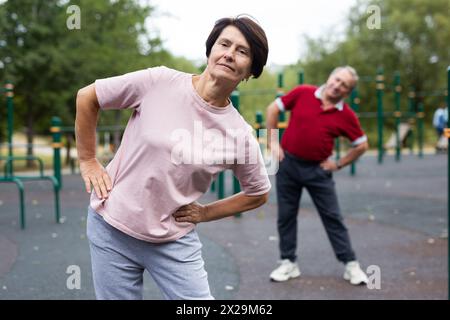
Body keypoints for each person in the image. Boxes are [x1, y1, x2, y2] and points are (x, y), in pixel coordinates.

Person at [75, 15, 271, 300]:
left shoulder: (239, 135)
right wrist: (88, 159)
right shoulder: (159, 81)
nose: (229, 54)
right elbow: (87, 97)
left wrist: (205, 213)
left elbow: (258, 193)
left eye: (242, 51)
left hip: (173, 241)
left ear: (250, 71)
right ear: (211, 50)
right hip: (111, 226)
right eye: (224, 44)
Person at [266, 66, 370, 285]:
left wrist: (339, 164)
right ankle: (288, 263)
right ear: (330, 77)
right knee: (286, 216)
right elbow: (272, 110)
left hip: (318, 171)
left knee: (333, 217)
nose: (337, 85)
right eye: (337, 79)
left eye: (344, 85)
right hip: (289, 164)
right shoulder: (303, 92)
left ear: (347, 92)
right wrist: (272, 142)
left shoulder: (346, 115)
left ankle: (350, 264)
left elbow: (361, 145)